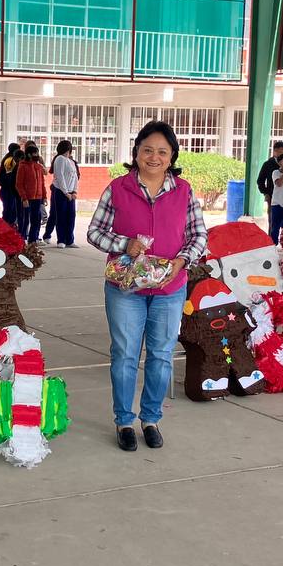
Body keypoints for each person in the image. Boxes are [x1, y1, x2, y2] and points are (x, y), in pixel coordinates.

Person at [88, 121, 206, 452]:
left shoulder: (184, 191)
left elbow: (199, 236)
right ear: (136, 152)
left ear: (171, 157)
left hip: (170, 289)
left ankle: (151, 418)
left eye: (162, 152)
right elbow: (94, 231)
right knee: (125, 354)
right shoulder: (117, 188)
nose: (154, 157)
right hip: (125, 288)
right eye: (147, 150)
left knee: (161, 355)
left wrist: (181, 262)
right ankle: (124, 420)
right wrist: (124, 243)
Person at [47, 140, 79, 248]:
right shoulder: (60, 159)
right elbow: (59, 176)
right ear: (68, 149)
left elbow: (75, 177)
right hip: (61, 192)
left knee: (71, 216)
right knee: (61, 216)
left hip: (70, 192)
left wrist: (74, 191)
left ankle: (70, 239)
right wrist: (65, 192)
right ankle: (61, 240)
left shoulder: (71, 162)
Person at [15, 142, 47, 244]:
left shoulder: (38, 167)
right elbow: (19, 184)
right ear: (29, 154)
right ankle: (22, 238)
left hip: (38, 197)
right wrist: (24, 198)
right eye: (35, 153)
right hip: (27, 198)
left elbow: (42, 183)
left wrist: (44, 196)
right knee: (25, 220)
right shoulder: (23, 166)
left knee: (36, 219)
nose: (37, 156)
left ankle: (33, 239)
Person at [256, 140, 283, 210]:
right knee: (273, 218)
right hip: (272, 197)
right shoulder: (268, 164)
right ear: (275, 151)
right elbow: (260, 181)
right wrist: (265, 193)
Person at [0, 142, 21, 229]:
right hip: (8, 190)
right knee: (9, 211)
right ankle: (5, 228)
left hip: (8, 189)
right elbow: (10, 177)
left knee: (10, 210)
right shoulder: (10, 161)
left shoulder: (8, 159)